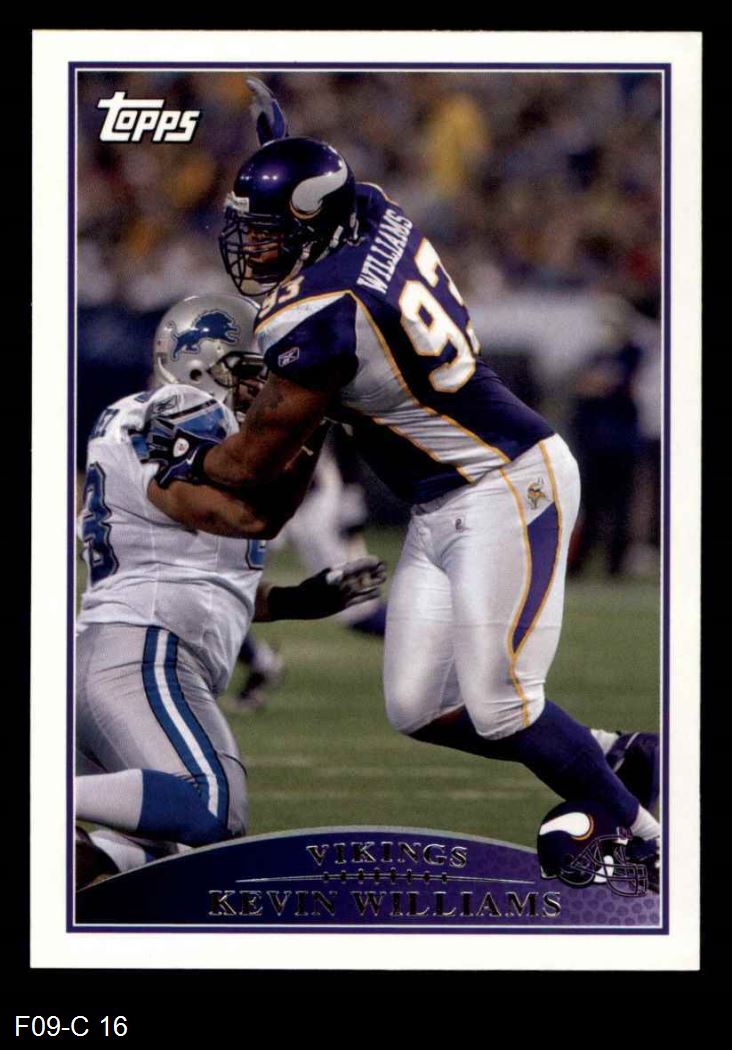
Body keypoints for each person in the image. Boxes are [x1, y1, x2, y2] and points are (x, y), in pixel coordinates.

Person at [147, 130, 660, 883]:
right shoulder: (375, 210)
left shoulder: (318, 314)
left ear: (312, 223)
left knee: (502, 703)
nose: (252, 247)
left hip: (504, 479)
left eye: (268, 231)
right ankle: (625, 755)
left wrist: (186, 457)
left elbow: (251, 463)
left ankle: (649, 842)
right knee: (418, 706)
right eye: (250, 230)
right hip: (439, 499)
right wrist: (283, 144)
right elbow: (339, 195)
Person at [75, 292, 385, 887]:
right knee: (207, 802)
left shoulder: (173, 424)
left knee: (182, 849)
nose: (263, 388)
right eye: (248, 371)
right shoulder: (180, 406)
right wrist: (315, 418)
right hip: (140, 649)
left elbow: (204, 573)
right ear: (198, 365)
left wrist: (294, 601)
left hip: (126, 650)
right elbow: (242, 518)